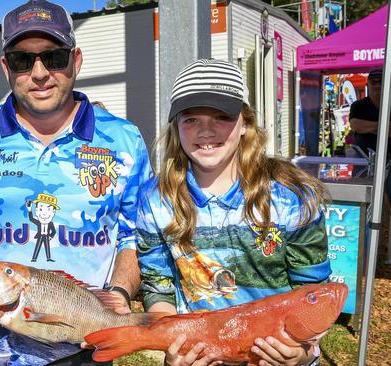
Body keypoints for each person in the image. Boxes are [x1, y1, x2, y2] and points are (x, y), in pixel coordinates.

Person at [0, 0, 151, 364]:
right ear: (6, 67)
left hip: (84, 351)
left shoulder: (123, 140)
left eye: (54, 57)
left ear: (75, 61)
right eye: (22, 59)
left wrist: (117, 298)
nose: (39, 73)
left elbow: (136, 235)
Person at [136, 59, 331, 366]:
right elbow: (158, 285)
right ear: (176, 127)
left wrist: (304, 353)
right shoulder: (155, 199)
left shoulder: (292, 196)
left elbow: (314, 293)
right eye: (191, 119)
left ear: (246, 123)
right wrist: (174, 346)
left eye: (222, 116)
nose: (206, 130)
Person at [348, 69, 387, 156]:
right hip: (363, 158)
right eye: (373, 82)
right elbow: (355, 125)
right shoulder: (358, 105)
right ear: (367, 85)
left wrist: (368, 127)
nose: (377, 85)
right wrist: (384, 127)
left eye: (380, 82)